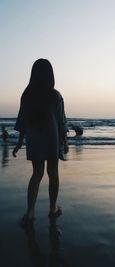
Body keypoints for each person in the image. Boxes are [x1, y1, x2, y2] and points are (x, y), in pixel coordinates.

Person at [13, 58, 68, 226]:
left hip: (35, 139)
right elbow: (61, 122)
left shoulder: (27, 95)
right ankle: (52, 208)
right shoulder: (55, 95)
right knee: (53, 173)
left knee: (37, 174)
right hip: (52, 139)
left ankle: (30, 213)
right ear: (50, 75)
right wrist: (64, 141)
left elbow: (22, 121)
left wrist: (20, 142)